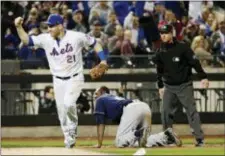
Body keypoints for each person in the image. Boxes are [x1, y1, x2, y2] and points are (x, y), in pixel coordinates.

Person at [14, 14, 108, 148]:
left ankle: (73, 130)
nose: (49, 29)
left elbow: (95, 43)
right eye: (48, 26)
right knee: (62, 114)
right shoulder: (46, 39)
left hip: (75, 77)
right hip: (57, 80)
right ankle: (69, 140)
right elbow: (26, 40)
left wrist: (103, 59)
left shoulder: (76, 37)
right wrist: (18, 27)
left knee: (69, 103)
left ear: (60, 25)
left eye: (52, 26)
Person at [153, 24, 209, 147]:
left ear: (171, 33)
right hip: (169, 86)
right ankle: (168, 138)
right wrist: (160, 86)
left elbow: (195, 62)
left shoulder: (183, 47)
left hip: (184, 85)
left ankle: (199, 139)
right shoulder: (159, 51)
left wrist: (203, 76)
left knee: (191, 111)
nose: (163, 35)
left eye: (166, 33)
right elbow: (159, 71)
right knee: (165, 112)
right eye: (161, 33)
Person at [93, 86, 182, 148]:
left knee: (119, 141)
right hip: (144, 106)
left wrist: (99, 143)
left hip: (132, 109)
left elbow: (100, 124)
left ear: (103, 93)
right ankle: (166, 136)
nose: (94, 96)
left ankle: (139, 132)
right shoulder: (112, 97)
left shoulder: (100, 100)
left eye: (96, 93)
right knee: (142, 142)